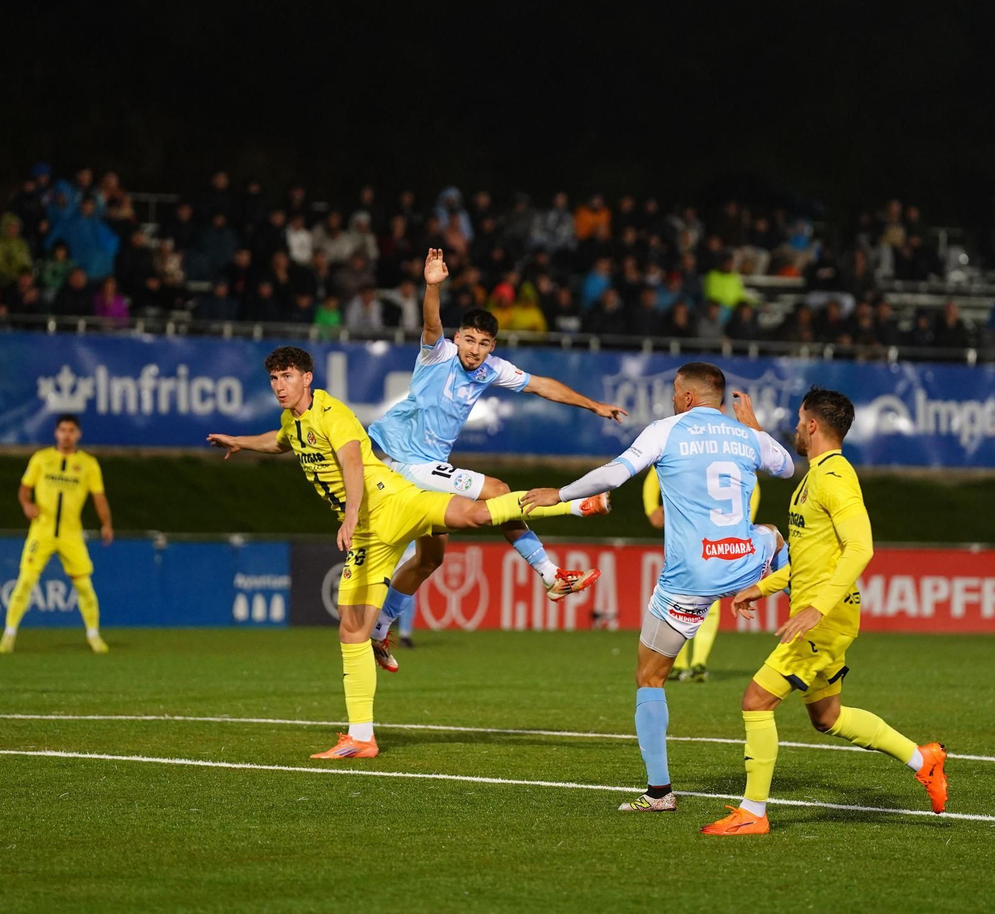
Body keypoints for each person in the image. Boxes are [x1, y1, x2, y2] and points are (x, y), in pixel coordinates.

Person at [205, 346, 610, 760]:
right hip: (370, 533)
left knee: (473, 516)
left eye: (287, 376)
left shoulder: (332, 413)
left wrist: (347, 517)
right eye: (274, 378)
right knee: (352, 629)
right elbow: (279, 442)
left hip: (392, 503)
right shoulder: (292, 421)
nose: (279, 386)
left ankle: (573, 503)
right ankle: (361, 738)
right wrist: (239, 441)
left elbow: (352, 465)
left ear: (307, 378)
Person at [518, 363, 797, 812]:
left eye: (673, 391)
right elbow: (786, 467)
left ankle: (660, 793)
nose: (671, 398)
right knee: (773, 532)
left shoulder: (666, 430)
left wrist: (561, 494)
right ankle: (789, 600)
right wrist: (755, 427)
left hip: (688, 578)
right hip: (742, 560)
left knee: (650, 677)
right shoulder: (746, 437)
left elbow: (613, 475)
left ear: (687, 397)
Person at [702, 387, 947, 835]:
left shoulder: (834, 478)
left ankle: (752, 813)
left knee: (756, 701)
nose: (795, 427)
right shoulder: (816, 475)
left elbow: (861, 547)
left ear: (812, 425)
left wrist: (816, 606)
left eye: (799, 420)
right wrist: (761, 587)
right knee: (827, 717)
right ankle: (923, 758)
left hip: (824, 618)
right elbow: (809, 557)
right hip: (825, 614)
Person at [365, 250, 625, 671]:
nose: (475, 350)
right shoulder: (438, 354)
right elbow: (431, 322)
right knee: (498, 491)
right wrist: (433, 285)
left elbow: (543, 386)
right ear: (458, 337)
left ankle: (378, 633)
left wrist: (592, 405)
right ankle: (555, 562)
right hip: (400, 463)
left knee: (430, 559)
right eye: (469, 339)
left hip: (426, 469)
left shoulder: (490, 369)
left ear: (492, 346)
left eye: (484, 343)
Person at [0, 415, 113, 655]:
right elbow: (24, 489)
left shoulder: (88, 464)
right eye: (63, 430)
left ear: (78, 434)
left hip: (71, 534)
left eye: (71, 430)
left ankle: (93, 636)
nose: (67, 434)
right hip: (42, 531)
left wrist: (106, 524)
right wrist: (26, 504)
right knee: (26, 581)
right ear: (56, 433)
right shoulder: (42, 459)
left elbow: (99, 497)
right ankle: (8, 635)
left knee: (84, 587)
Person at [644, 465, 764, 683]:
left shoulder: (687, 442)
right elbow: (753, 486)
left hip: (688, 533)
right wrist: (745, 526)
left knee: (679, 594)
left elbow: (654, 475)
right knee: (709, 597)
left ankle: (682, 664)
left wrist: (651, 507)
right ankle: (695, 663)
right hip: (720, 535)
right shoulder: (736, 448)